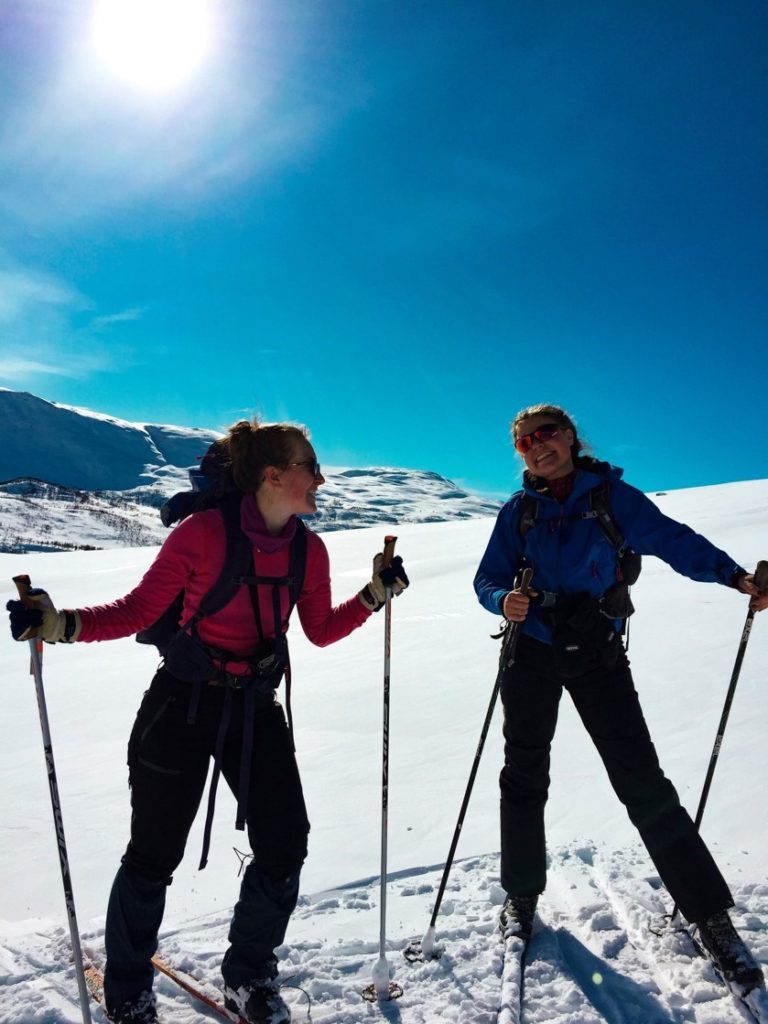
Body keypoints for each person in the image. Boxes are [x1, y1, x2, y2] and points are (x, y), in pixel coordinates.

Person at [7, 419, 409, 1024]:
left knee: (285, 843)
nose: (321, 479)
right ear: (273, 476)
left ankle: (248, 977)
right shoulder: (203, 534)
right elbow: (138, 610)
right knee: (153, 853)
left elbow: (320, 630)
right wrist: (60, 624)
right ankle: (128, 991)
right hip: (182, 706)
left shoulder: (309, 548)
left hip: (253, 709)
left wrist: (372, 596)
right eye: (311, 466)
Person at [473, 403, 766, 991]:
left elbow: (671, 540)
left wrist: (735, 577)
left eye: (546, 434)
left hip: (596, 652)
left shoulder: (609, 498)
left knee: (641, 781)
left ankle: (709, 915)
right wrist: (503, 599)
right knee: (523, 776)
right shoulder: (518, 512)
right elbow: (487, 578)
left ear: (571, 438)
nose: (536, 446)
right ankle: (521, 897)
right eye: (524, 441)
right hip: (529, 654)